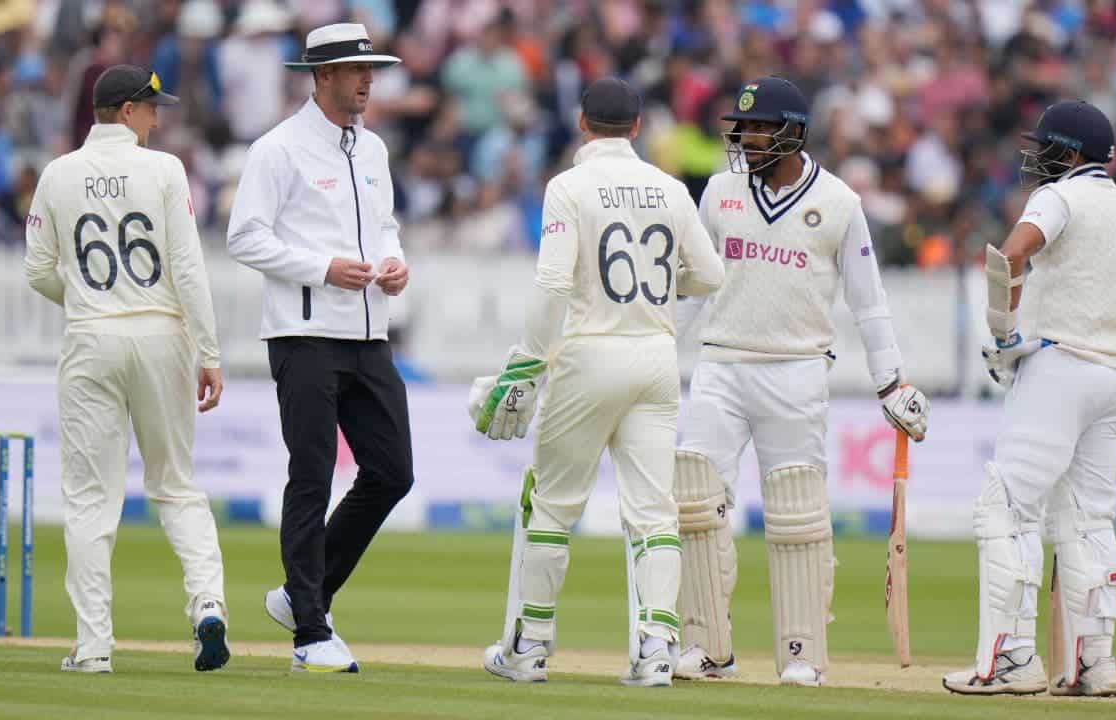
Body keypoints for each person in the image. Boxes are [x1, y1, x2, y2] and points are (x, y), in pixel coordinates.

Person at [671, 76, 930, 687]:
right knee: (694, 499)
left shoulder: (840, 203)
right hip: (721, 363)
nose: (748, 137)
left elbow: (869, 302)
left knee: (795, 513)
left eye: (762, 127)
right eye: (744, 127)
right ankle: (708, 648)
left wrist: (890, 381)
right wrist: (657, 348)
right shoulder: (719, 191)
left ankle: (801, 653)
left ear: (794, 132)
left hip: (796, 369)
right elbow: (693, 287)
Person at [471, 77, 724, 687]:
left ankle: (530, 647)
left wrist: (529, 364)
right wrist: (664, 288)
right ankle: (657, 650)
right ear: (638, 127)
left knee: (553, 506)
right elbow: (710, 275)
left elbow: (555, 284)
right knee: (652, 513)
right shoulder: (669, 188)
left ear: (582, 123)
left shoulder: (568, 187)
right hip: (656, 357)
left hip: (589, 354)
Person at [23, 64, 229, 674]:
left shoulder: (57, 175)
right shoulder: (163, 169)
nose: (158, 119)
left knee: (91, 500)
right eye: (151, 108)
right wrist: (209, 352)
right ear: (126, 110)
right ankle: (208, 607)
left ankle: (93, 648)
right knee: (176, 486)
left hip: (92, 338)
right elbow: (188, 268)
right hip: (160, 333)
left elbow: (38, 270)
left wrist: (88, 296)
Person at [943, 101, 1116, 697]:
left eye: (1046, 147)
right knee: (1088, 519)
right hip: (1115, 372)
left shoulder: (1059, 197)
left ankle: (1010, 662)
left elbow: (1009, 256)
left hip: (1059, 366)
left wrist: (1003, 334)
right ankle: (1094, 665)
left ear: (1072, 152)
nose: (1035, 157)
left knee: (1006, 508)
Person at [226, 23, 411, 674]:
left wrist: (394, 262)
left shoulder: (373, 149)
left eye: (372, 70)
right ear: (322, 76)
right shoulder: (278, 150)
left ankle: (306, 593)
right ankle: (309, 631)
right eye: (357, 70)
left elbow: (385, 226)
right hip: (303, 336)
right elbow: (244, 237)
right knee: (309, 477)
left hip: (368, 332)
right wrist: (320, 268)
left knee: (393, 472)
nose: (368, 80)